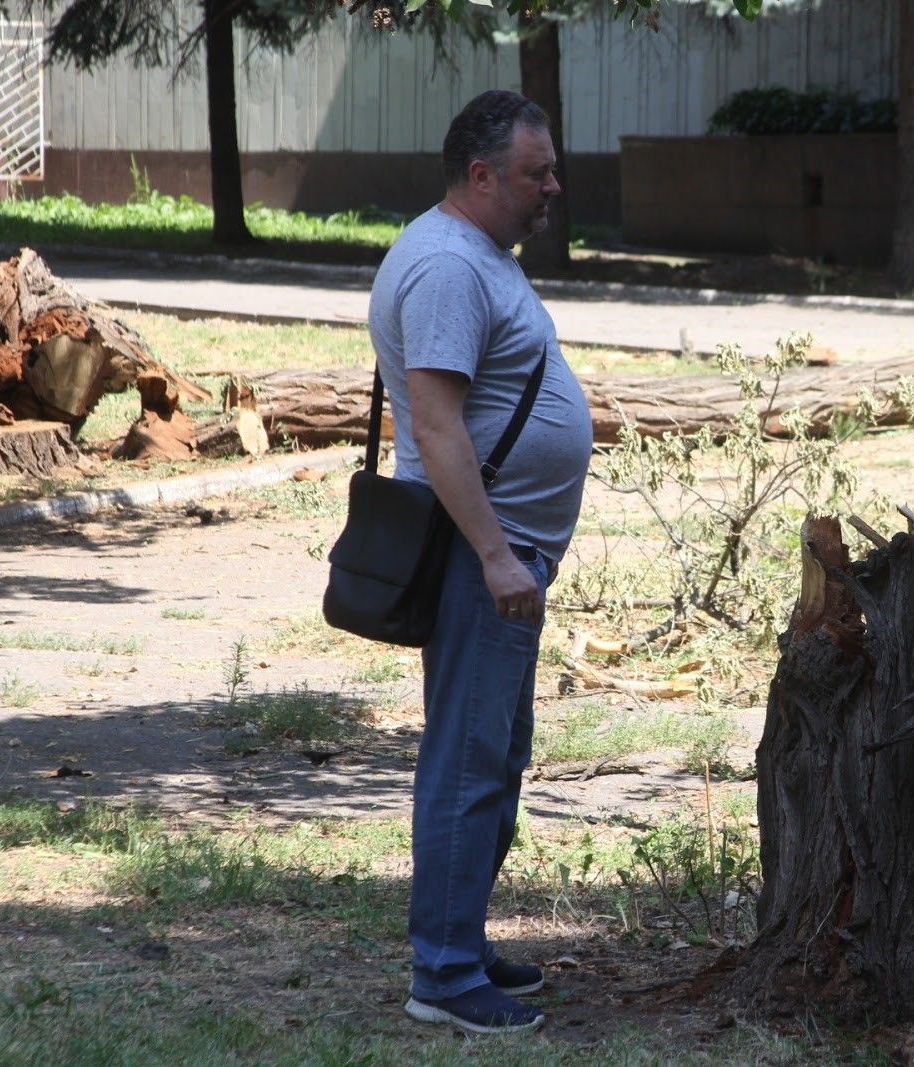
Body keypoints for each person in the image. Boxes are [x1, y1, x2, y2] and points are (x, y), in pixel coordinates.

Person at [367, 90, 592, 1036]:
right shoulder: (450, 266)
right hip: (479, 553)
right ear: (481, 175)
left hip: (500, 554)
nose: (553, 187)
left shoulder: (474, 255)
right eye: (536, 173)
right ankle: (447, 972)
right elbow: (435, 421)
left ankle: (461, 934)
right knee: (468, 762)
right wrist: (498, 557)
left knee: (494, 755)